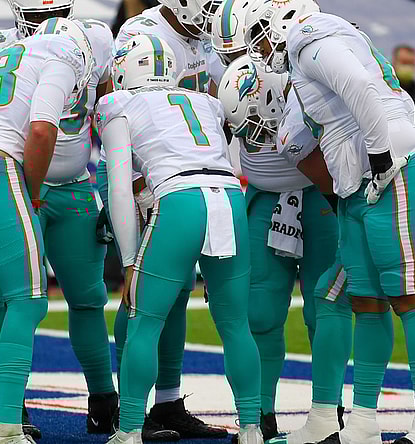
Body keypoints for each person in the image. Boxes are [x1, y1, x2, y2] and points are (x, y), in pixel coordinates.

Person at [244, 4, 415, 443]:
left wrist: (377, 158)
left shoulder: (307, 37)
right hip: (372, 179)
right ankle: (350, 422)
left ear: (282, 20)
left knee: (411, 297)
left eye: (262, 36)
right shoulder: (325, 46)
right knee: (350, 296)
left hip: (394, 172)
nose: (261, 49)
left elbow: (359, 87)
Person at [99, 33, 263, 444]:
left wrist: (129, 256)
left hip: (180, 199)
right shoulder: (205, 101)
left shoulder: (115, 104)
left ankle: (130, 428)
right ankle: (252, 427)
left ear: (123, 68)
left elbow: (121, 187)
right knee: (235, 325)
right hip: (229, 197)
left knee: (143, 320)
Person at [0, 17, 95, 444]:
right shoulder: (61, 57)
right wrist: (31, 193)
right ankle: (8, 428)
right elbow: (43, 129)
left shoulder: (1, 55)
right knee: (27, 301)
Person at [3, 0, 122, 434]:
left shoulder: (94, 38)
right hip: (17, 183)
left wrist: (111, 187)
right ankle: (9, 405)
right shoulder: (2, 45)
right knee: (15, 300)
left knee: (88, 299)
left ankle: (103, 399)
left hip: (72, 185)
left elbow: (111, 114)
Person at [215, 54, 338, 441]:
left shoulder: (313, 73)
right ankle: (259, 413)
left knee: (328, 310)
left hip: (321, 196)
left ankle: (328, 412)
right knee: (259, 313)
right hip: (266, 197)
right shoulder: (226, 71)